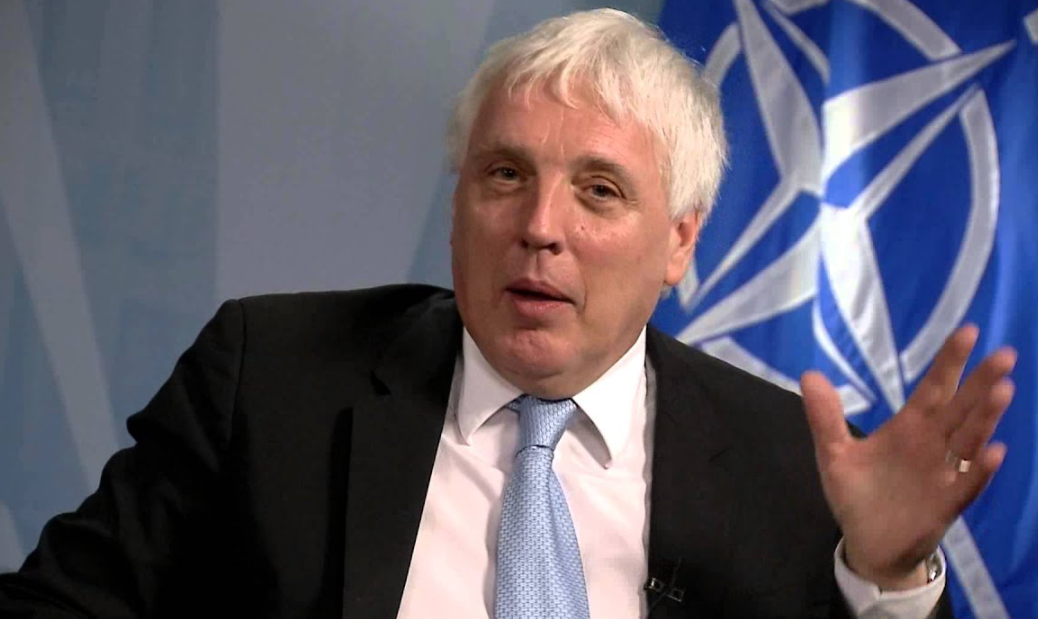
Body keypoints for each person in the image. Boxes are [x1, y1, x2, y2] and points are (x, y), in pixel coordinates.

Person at [0, 9, 1016, 619]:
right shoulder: (269, 378)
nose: (539, 227)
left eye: (599, 191)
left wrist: (884, 579)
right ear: (458, 204)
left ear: (679, 243)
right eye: (504, 174)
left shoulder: (786, 464)